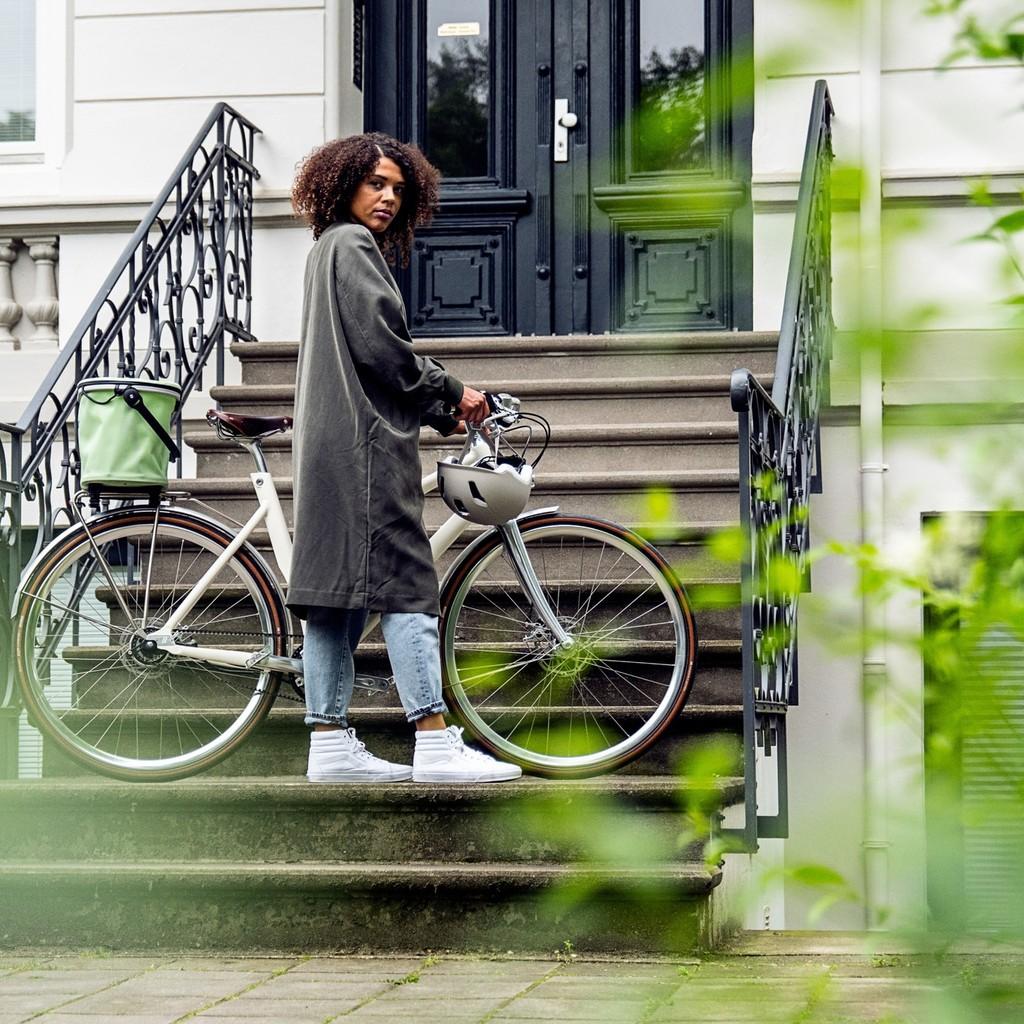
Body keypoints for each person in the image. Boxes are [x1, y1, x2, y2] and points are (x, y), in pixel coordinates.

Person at [288, 132, 522, 784]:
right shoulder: (354, 245)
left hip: (330, 446)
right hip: (365, 451)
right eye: (375, 184)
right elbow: (386, 351)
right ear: (344, 186)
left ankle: (329, 743)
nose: (388, 196)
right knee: (409, 587)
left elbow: (370, 359)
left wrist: (439, 411)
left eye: (397, 187)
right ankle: (434, 739)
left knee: (335, 598)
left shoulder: (325, 248)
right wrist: (455, 393)